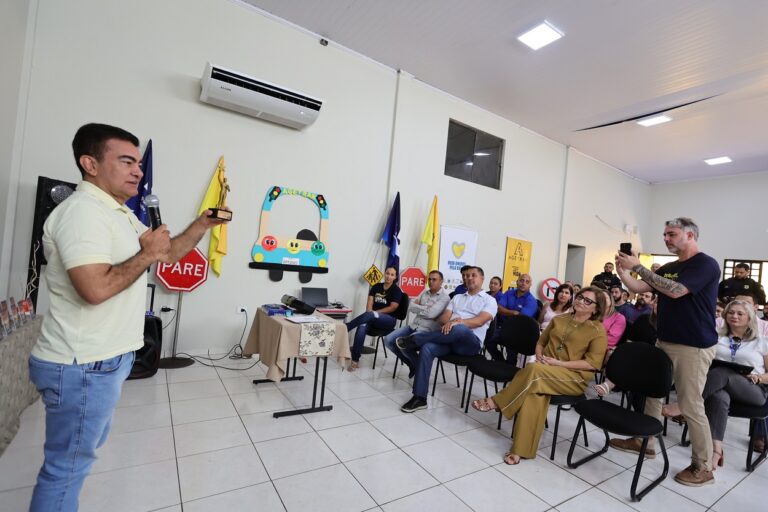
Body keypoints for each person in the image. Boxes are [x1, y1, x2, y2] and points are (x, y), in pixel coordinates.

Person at [27, 123, 229, 512]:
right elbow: (96, 289)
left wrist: (203, 224)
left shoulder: (116, 212)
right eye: (126, 161)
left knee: (76, 460)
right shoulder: (83, 214)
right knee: (65, 470)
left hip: (104, 361)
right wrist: (147, 254)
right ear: (90, 163)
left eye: (138, 162)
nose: (138, 170)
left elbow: (166, 253)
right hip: (83, 362)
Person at [610, 217, 720, 487]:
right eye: (665, 235)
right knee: (653, 393)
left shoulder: (705, 264)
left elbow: (677, 291)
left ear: (691, 235)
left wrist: (638, 266)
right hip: (666, 340)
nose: (667, 239)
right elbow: (639, 287)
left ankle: (703, 465)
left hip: (693, 345)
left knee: (691, 404)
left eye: (672, 234)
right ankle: (644, 443)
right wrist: (623, 272)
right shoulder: (670, 267)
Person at [470, 287, 608, 465]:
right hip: (545, 370)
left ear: (596, 309)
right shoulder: (560, 319)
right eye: (580, 297)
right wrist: (541, 355)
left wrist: (559, 364)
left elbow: (592, 364)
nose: (581, 301)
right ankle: (520, 450)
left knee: (533, 370)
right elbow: (541, 342)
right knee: (533, 394)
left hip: (573, 377)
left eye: (588, 301)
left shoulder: (597, 330)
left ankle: (497, 402)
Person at [662, 300, 768, 468]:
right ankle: (716, 450)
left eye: (740, 313)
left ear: (750, 318)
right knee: (719, 396)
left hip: (753, 390)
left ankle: (683, 405)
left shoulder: (761, 341)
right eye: (731, 312)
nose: (734, 316)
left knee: (722, 373)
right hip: (719, 386)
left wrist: (759, 378)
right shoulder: (717, 337)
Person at [396, 266, 497, 412]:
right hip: (450, 339)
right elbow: (444, 318)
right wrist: (449, 322)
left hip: (470, 344)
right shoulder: (457, 297)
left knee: (460, 328)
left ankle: (416, 339)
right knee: (427, 348)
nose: (469, 278)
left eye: (473, 275)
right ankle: (419, 398)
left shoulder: (489, 300)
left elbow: (480, 321)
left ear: (482, 279)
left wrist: (456, 322)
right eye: (467, 275)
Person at [383, 270, 450, 377]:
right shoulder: (425, 293)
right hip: (413, 325)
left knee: (404, 344)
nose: (431, 282)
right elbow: (410, 306)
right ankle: (413, 364)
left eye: (434, 279)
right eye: (430, 279)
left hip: (426, 330)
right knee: (388, 340)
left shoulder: (444, 298)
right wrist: (425, 309)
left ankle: (419, 368)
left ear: (441, 281)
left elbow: (431, 314)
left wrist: (419, 308)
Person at [346, 266, 402, 370]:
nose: (389, 276)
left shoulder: (396, 290)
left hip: (388, 320)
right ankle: (355, 360)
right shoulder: (376, 286)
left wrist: (374, 313)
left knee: (370, 315)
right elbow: (369, 304)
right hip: (372, 318)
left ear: (395, 277)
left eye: (392, 274)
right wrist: (371, 313)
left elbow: (392, 307)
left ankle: (347, 327)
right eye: (387, 273)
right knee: (361, 327)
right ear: (384, 273)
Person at [485, 274, 537, 362]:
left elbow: (520, 318)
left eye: (527, 282)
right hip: (503, 327)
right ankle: (500, 362)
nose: (523, 283)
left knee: (511, 348)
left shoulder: (531, 301)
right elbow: (498, 308)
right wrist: (513, 312)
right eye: (521, 280)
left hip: (519, 331)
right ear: (517, 282)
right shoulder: (509, 293)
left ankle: (509, 368)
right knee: (488, 339)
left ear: (530, 285)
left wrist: (506, 311)